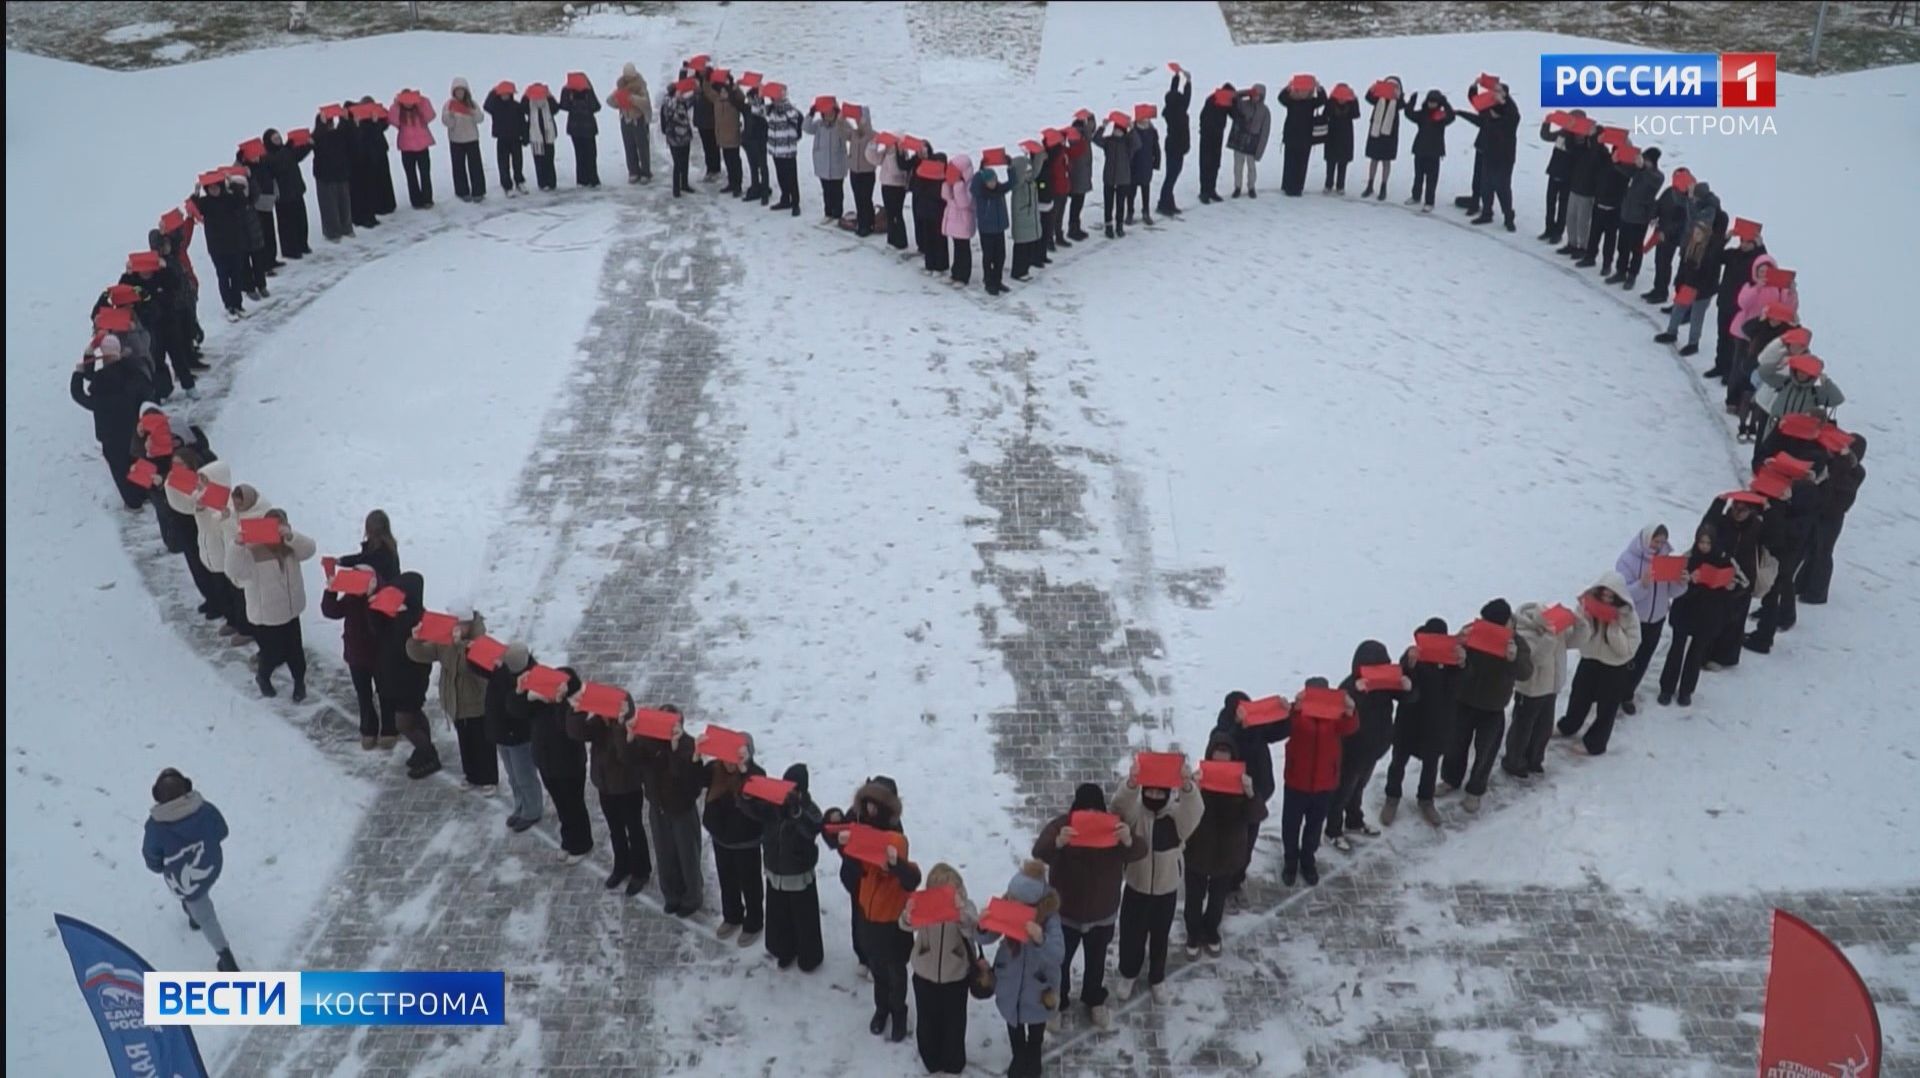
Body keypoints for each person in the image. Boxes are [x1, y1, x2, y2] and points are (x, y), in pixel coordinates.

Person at [1033, 782, 1145, 1028]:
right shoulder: (1062, 825)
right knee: (1059, 962)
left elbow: (1139, 851)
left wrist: (1127, 840)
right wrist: (1059, 844)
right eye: (1086, 810)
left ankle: (1094, 999)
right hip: (1065, 914)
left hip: (1101, 913)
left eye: (1096, 810)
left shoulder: (1113, 828)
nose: (1092, 816)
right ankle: (1058, 1002)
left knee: (1096, 962)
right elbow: (1039, 851)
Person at [833, 776, 921, 1042]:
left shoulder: (896, 838)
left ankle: (898, 1012)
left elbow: (912, 879)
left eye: (875, 806)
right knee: (878, 970)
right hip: (868, 916)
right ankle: (881, 1009)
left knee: (896, 973)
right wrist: (842, 844)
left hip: (891, 922)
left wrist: (894, 865)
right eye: (867, 805)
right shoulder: (861, 829)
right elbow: (854, 866)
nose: (870, 811)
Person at [1109, 760, 1202, 1001]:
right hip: (1135, 887)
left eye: (1159, 792)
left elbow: (1195, 811)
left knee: (1160, 936)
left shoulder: (1176, 816)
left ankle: (1157, 977)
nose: (1153, 795)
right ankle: (1128, 973)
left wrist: (1187, 786)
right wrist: (1130, 784)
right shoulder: (1136, 812)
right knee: (1131, 935)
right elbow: (1118, 807)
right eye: (1148, 790)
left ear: (1167, 793)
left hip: (1166, 889)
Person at [144, 769, 239, 972]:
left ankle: (227, 960)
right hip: (212, 867)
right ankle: (191, 913)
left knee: (205, 915)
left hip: (182, 881)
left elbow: (153, 861)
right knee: (197, 896)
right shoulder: (205, 810)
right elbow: (223, 831)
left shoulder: (155, 827)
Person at [322, 511, 400, 749]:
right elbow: (331, 610)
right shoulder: (354, 595)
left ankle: (384, 728)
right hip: (359, 651)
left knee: (379, 691)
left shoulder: (381, 569)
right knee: (367, 692)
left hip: (376, 650)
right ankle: (372, 728)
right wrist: (331, 588)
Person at [1444, 601, 1532, 812]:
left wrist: (1512, 659)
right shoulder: (1473, 632)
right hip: (1464, 701)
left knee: (1485, 752)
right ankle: (1450, 779)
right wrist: (1459, 641)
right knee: (1454, 745)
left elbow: (1526, 673)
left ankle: (1475, 790)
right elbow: (1449, 657)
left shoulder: (1516, 643)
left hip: (1493, 707)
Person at [225, 508, 316, 701]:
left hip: (291, 611)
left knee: (296, 654)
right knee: (272, 654)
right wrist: (237, 544)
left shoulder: (291, 546)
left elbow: (310, 549)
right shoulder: (253, 550)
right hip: (267, 616)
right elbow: (232, 570)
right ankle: (263, 677)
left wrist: (291, 536)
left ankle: (299, 682)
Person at [985, 861, 1065, 1078]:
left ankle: (1033, 1054)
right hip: (1010, 981)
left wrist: (1040, 939)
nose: (1011, 904)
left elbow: (1058, 954)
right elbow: (986, 937)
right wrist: (983, 926)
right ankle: (1019, 1055)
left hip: (1038, 987)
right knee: (1013, 1023)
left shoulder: (1050, 920)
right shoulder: (1007, 907)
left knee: (1036, 1025)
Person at [1182, 733, 1260, 956]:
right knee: (1194, 898)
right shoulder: (1198, 781)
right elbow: (1181, 812)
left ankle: (1211, 929)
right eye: (1217, 761)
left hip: (1227, 853)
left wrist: (1250, 793)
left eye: (1226, 761)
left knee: (1217, 899)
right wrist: (1191, 791)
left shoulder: (1243, 782)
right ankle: (1193, 932)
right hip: (1197, 851)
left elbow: (1256, 815)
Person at [407, 602, 497, 791]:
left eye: (458, 624)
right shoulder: (444, 640)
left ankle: (488, 778)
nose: (454, 627)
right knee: (465, 741)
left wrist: (460, 646)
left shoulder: (479, 641)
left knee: (482, 742)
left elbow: (468, 667)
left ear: (467, 624)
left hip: (476, 701)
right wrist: (415, 641)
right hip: (455, 700)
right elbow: (422, 654)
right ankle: (471, 775)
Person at [564, 691, 648, 892]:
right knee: (615, 829)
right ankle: (621, 866)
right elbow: (577, 733)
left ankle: (641, 871)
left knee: (634, 830)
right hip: (606, 787)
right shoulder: (599, 725)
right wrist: (576, 712)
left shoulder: (631, 728)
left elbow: (626, 756)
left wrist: (620, 726)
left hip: (628, 788)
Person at [744, 762, 824, 971]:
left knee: (804, 919)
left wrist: (797, 812)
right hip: (775, 871)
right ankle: (784, 950)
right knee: (780, 917)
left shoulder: (808, 808)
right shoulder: (774, 803)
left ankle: (809, 957)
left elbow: (814, 827)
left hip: (798, 874)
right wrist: (747, 795)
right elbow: (753, 811)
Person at [1328, 640, 1409, 847]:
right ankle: (1333, 830)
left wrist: (1407, 688)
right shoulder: (1349, 686)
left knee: (1359, 788)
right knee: (1343, 792)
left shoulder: (1383, 684)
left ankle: (1354, 821)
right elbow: (1340, 716)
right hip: (1352, 752)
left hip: (1374, 750)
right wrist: (1357, 693)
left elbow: (1408, 697)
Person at [1277, 678, 1357, 885]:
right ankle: (1290, 861)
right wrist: (1294, 709)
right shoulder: (1298, 713)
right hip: (1297, 783)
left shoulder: (1335, 716)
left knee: (1314, 826)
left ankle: (1308, 860)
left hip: (1324, 785)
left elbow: (1350, 728)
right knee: (1291, 826)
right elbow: (1284, 728)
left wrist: (1350, 711)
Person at [899, 863, 978, 1074]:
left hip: (955, 977)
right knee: (927, 1021)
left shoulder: (965, 905)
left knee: (954, 1023)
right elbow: (906, 925)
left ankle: (953, 1062)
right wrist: (908, 915)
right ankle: (931, 1059)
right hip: (925, 974)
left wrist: (960, 912)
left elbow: (973, 930)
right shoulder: (924, 903)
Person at [1555, 574, 1642, 755]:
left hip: (1614, 667)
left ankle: (1595, 743)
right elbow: (1578, 639)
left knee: (1607, 707)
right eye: (1603, 595)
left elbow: (1626, 650)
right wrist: (1585, 621)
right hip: (1590, 659)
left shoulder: (1628, 616)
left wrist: (1613, 628)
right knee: (1579, 695)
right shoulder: (1586, 607)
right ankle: (1568, 726)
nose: (1606, 600)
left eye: (1611, 597)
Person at [1383, 618, 1457, 826]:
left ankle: (1426, 800)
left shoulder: (1452, 658)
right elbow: (1401, 683)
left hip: (1437, 723)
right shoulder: (1412, 654)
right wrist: (1409, 665)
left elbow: (1457, 687)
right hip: (1409, 720)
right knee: (1398, 762)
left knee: (1431, 765)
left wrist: (1461, 664)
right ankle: (1392, 797)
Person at [632, 709, 706, 914]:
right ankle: (671, 894)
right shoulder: (647, 742)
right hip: (658, 808)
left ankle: (692, 897)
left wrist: (674, 750)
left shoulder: (688, 745)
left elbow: (692, 784)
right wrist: (630, 736)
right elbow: (633, 761)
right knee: (664, 854)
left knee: (687, 855)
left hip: (682, 810)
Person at [1657, 529, 1739, 707]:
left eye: (1708, 543)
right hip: (1685, 610)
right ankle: (1666, 688)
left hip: (1708, 615)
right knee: (1676, 650)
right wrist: (1688, 581)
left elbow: (1741, 584)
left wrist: (1730, 586)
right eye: (1701, 542)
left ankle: (1686, 691)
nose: (1704, 547)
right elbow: (1676, 587)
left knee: (1696, 653)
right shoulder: (1688, 559)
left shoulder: (1724, 561)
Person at [519, 666, 593, 860]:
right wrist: (523, 693)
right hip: (546, 762)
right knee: (561, 805)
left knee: (574, 804)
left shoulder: (572, 706)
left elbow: (567, 729)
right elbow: (517, 710)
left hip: (569, 765)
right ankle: (569, 841)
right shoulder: (540, 703)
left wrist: (560, 703)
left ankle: (581, 844)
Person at [71, 336, 152, 510]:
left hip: (111, 435)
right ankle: (147, 491)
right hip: (135, 429)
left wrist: (78, 373)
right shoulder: (134, 371)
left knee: (121, 470)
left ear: (103, 356)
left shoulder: (102, 382)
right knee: (140, 461)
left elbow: (82, 396)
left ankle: (133, 500)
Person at [369, 571, 436, 777]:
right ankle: (425, 750)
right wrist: (373, 606)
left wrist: (400, 616)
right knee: (415, 715)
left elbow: (412, 649)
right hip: (395, 678)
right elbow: (377, 630)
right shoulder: (396, 613)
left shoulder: (418, 620)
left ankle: (430, 755)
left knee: (404, 723)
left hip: (411, 682)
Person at [702, 735, 766, 944]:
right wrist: (695, 754)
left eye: (735, 757)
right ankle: (732, 916)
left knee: (750, 883)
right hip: (721, 839)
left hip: (746, 841)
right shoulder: (714, 770)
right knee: (727, 880)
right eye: (727, 757)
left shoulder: (755, 774)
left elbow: (759, 802)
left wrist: (744, 768)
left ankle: (754, 922)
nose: (730, 763)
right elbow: (693, 779)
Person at [1614, 524, 1680, 713]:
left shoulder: (1666, 560)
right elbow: (1622, 594)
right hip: (1634, 619)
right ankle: (1613, 693)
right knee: (1626, 659)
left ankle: (1628, 694)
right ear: (1646, 538)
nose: (1657, 546)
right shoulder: (1627, 560)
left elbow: (1671, 591)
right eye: (1655, 540)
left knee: (1643, 660)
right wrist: (1642, 584)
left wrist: (1681, 582)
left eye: (1661, 542)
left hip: (1657, 619)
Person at [1797, 433, 1866, 605]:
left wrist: (1842, 460)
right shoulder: (1835, 462)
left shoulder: (1856, 472)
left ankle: (1817, 593)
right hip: (1820, 510)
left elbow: (1840, 485)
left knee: (1823, 553)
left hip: (1833, 516)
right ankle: (1802, 584)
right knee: (1811, 548)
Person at [1655, 194, 1727, 358]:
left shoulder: (1711, 250)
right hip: (1688, 285)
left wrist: (1699, 288)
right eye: (1695, 232)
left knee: (1696, 317)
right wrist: (1680, 281)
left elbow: (1710, 271)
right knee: (1678, 310)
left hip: (1702, 289)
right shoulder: (1691, 246)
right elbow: (1685, 266)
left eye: (1698, 233)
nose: (1695, 235)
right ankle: (1671, 332)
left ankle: (1693, 343)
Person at [1502, 602, 1568, 778]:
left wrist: (1580, 623)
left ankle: (1534, 760)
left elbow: (1579, 641)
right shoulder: (1523, 632)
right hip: (1530, 690)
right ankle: (1513, 762)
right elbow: (1535, 660)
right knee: (1522, 729)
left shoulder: (1554, 630)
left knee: (1544, 728)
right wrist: (1549, 637)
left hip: (1550, 688)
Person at [487, 643, 542, 832]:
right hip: (502, 733)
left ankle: (532, 810)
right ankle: (520, 806)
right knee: (513, 776)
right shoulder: (502, 670)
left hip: (519, 737)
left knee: (524, 776)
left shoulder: (530, 680)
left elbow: (519, 709)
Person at [191, 172, 255, 318]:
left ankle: (238, 304)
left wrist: (231, 182)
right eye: (210, 188)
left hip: (235, 244)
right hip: (217, 248)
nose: (214, 190)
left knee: (237, 276)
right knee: (223, 276)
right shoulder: (205, 203)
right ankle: (229, 305)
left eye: (216, 187)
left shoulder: (229, 199)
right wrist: (196, 191)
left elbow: (242, 199)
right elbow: (194, 205)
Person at [1708, 221, 1768, 374]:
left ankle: (1730, 370)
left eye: (1748, 242)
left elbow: (1765, 265)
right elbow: (1714, 255)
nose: (1744, 245)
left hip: (1742, 307)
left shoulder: (1755, 260)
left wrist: (1761, 247)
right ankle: (1720, 365)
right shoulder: (1732, 254)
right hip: (1725, 301)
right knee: (1722, 337)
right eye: (1742, 241)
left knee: (1734, 341)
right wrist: (1725, 238)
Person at [1461, 82, 1519, 229]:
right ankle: (1487, 213)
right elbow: (1477, 106)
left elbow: (1514, 113)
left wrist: (1506, 99)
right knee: (1486, 185)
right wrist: (1474, 87)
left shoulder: (1510, 118)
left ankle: (1509, 217)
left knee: (1503, 188)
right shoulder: (1488, 114)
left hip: (1504, 158)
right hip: (1489, 154)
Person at [1609, 147, 1663, 289]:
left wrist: (1642, 169)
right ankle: (1620, 271)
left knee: (1636, 248)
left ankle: (1632, 275)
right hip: (1626, 214)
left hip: (1640, 218)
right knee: (1622, 245)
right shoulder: (1639, 171)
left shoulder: (1657, 176)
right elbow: (1626, 171)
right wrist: (1617, 163)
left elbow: (1652, 180)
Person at [1641, 168, 1692, 303]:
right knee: (1659, 262)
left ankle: (1662, 292)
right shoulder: (1670, 191)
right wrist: (1653, 216)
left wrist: (1666, 232)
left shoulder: (1686, 202)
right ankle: (1657, 288)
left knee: (1664, 263)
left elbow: (1681, 223)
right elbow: (1659, 204)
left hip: (1671, 237)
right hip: (1661, 230)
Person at [262, 129, 314, 256]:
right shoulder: (267, 157)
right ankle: (290, 249)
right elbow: (277, 166)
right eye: (274, 139)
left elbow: (298, 154)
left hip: (296, 190)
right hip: (283, 196)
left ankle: (303, 244)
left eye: (278, 137)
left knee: (301, 221)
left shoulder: (286, 150)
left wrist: (309, 145)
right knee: (287, 225)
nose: (278, 140)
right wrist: (287, 149)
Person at [1580, 141, 1630, 271]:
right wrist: (1599, 141)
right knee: (1594, 234)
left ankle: (1607, 264)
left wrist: (1618, 163)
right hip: (1599, 204)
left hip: (1614, 208)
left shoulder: (1626, 168)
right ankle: (1590, 257)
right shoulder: (1605, 160)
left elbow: (1628, 179)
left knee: (1610, 238)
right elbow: (1596, 155)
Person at [1557, 123, 1603, 258]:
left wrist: (1594, 137)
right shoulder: (1583, 147)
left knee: (1583, 222)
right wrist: (1571, 131)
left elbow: (1595, 155)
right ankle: (1572, 243)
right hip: (1575, 187)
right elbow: (1571, 147)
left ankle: (1583, 246)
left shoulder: (1601, 152)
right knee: (1570, 218)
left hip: (1588, 192)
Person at [1402, 89, 1453, 212]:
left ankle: (1429, 201)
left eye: (1434, 102)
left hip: (1434, 152)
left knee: (1432, 178)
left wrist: (1445, 103)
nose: (1431, 104)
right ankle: (1416, 196)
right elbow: (1409, 114)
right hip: (1420, 149)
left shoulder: (1441, 116)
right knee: (1418, 176)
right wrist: (1412, 101)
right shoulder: (1422, 114)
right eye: (1430, 102)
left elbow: (1451, 116)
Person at [310, 107, 356, 241]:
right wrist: (322, 124)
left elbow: (350, 134)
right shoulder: (318, 136)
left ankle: (347, 228)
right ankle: (332, 232)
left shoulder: (338, 134)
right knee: (329, 206)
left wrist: (346, 118)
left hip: (341, 172)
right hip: (325, 175)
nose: (330, 124)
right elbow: (315, 137)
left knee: (344, 203)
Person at [1534, 108, 1581, 240]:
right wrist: (1547, 123)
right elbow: (1546, 136)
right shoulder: (1562, 133)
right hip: (1554, 172)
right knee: (1550, 202)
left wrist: (1571, 134)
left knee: (1563, 205)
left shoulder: (1579, 140)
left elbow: (1574, 151)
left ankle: (1558, 232)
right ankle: (1549, 228)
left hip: (1568, 176)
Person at [350, 98, 397, 226]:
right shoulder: (359, 119)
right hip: (367, 155)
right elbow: (359, 136)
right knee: (372, 182)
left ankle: (387, 204)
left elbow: (385, 125)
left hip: (380, 152)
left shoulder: (377, 117)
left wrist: (376, 120)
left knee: (384, 179)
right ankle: (376, 206)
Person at [1361, 77, 1407, 201]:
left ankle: (1383, 186)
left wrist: (1399, 96)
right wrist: (1373, 89)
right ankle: (1370, 184)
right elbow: (1368, 98)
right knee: (1373, 159)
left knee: (1386, 160)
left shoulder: (1397, 101)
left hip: (1389, 134)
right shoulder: (1378, 97)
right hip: (1376, 131)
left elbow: (1404, 106)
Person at [1277, 78, 1325, 197]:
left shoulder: (1311, 102)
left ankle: (1297, 187)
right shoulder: (1291, 101)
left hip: (1305, 138)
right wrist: (1288, 88)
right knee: (1290, 163)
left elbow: (1322, 99)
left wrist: (1319, 87)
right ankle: (1288, 186)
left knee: (1301, 164)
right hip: (1292, 137)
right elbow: (1281, 98)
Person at [804, 99, 850, 221]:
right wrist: (811, 113)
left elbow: (850, 133)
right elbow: (806, 127)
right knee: (826, 191)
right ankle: (828, 212)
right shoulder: (819, 125)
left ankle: (837, 214)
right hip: (822, 164)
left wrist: (842, 119)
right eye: (826, 114)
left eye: (832, 113)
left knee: (837, 192)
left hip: (837, 165)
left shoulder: (841, 125)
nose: (829, 116)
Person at [389, 90, 436, 208]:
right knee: (411, 176)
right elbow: (392, 121)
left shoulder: (420, 110)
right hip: (407, 149)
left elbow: (431, 115)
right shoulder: (399, 113)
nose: (408, 104)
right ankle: (416, 201)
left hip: (422, 147)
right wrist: (396, 106)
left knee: (425, 174)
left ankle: (427, 199)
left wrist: (422, 100)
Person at [442, 78, 487, 201]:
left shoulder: (472, 103)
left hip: (472, 138)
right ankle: (462, 191)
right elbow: (447, 123)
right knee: (458, 167)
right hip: (456, 140)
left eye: (462, 91)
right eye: (457, 91)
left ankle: (478, 191)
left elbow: (480, 118)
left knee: (476, 166)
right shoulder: (449, 104)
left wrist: (471, 112)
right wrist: (449, 115)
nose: (460, 93)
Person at [557, 74, 603, 187]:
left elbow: (563, 106)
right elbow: (596, 107)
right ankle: (593, 179)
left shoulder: (568, 93)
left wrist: (566, 91)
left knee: (580, 154)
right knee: (591, 154)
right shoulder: (587, 92)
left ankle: (582, 179)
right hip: (588, 127)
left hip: (575, 128)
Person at [611, 62, 654, 184]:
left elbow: (646, 102)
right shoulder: (620, 86)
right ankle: (633, 171)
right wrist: (618, 100)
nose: (628, 79)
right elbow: (610, 101)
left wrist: (633, 99)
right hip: (625, 119)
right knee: (629, 146)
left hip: (639, 120)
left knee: (642, 148)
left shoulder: (640, 85)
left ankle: (646, 172)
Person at [764, 86, 804, 217]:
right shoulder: (771, 109)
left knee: (792, 177)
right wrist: (759, 94)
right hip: (776, 149)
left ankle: (795, 203)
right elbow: (757, 110)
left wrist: (780, 104)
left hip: (787, 149)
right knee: (781, 175)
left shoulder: (790, 109)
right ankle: (785, 198)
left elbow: (795, 117)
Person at [484, 82, 529, 196]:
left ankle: (519, 181)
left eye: (507, 94)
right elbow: (486, 106)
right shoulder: (495, 106)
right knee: (503, 164)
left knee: (518, 162)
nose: (505, 96)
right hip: (502, 139)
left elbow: (523, 123)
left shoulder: (517, 106)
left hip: (515, 139)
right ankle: (507, 185)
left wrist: (525, 137)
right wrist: (493, 91)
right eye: (502, 94)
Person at [972, 161, 1010, 296]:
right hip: (987, 230)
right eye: (990, 181)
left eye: (994, 180)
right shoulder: (981, 193)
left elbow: (1011, 183)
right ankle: (989, 282)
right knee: (988, 257)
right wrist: (981, 170)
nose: (993, 183)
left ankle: (997, 280)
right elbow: (974, 184)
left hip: (999, 229)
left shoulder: (999, 191)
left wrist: (1010, 167)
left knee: (1000, 256)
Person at [1226, 84, 1271, 198]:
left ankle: (1251, 187)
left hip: (1253, 141)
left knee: (1251, 167)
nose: (1255, 97)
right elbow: (1234, 97)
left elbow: (1265, 133)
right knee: (1238, 166)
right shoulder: (1243, 104)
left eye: (1258, 95)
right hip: (1240, 138)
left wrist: (1259, 151)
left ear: (1262, 96)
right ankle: (1237, 187)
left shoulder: (1265, 111)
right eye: (1254, 94)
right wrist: (1247, 92)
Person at [911, 147, 951, 274]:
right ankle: (934, 264)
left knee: (936, 239)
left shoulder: (942, 176)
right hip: (931, 212)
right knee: (933, 239)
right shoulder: (929, 175)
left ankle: (937, 265)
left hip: (933, 212)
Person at [703, 70, 744, 194]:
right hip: (722, 138)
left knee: (735, 162)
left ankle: (737, 185)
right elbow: (708, 91)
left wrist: (735, 88)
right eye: (721, 92)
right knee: (728, 162)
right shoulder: (717, 100)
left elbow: (741, 97)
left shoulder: (734, 102)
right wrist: (706, 80)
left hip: (733, 138)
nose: (723, 93)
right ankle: (731, 183)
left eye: (725, 92)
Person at [1158, 68, 1192, 216]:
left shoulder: (1170, 109)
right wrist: (1188, 82)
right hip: (1177, 147)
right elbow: (1186, 98)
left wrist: (1177, 78)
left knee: (1170, 175)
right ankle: (1164, 203)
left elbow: (1175, 94)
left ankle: (1167, 202)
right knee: (1171, 176)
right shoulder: (1179, 111)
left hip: (1171, 145)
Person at [1097, 117, 1136, 238]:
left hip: (1123, 178)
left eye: (1119, 130)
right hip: (1109, 177)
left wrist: (1132, 129)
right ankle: (1108, 226)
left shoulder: (1127, 142)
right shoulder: (1108, 141)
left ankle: (1119, 226)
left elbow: (1137, 143)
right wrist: (1102, 127)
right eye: (1115, 130)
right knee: (1108, 204)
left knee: (1120, 204)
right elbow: (1096, 139)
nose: (1116, 132)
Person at [1008, 147, 1044, 280]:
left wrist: (1039, 156)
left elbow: (1036, 171)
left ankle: (1025, 269)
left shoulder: (1031, 182)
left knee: (1028, 247)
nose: (1029, 174)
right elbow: (1019, 180)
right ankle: (1018, 271)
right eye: (1026, 172)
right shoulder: (1018, 186)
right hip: (1022, 221)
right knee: (1021, 249)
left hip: (1031, 220)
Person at [1195, 84, 1234, 203]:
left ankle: (1212, 189)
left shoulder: (1226, 101)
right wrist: (1204, 130)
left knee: (1215, 163)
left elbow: (1234, 114)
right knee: (1206, 163)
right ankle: (1204, 192)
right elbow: (1203, 117)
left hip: (1218, 135)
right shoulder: (1211, 100)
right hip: (1207, 136)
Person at [942, 154, 976, 286]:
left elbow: (963, 203)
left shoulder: (969, 185)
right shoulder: (956, 183)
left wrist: (958, 185)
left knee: (963, 249)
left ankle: (963, 276)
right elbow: (947, 197)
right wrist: (947, 184)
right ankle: (955, 272)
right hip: (954, 219)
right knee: (957, 248)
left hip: (964, 221)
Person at [870, 129, 908, 245]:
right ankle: (892, 238)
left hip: (897, 187)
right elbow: (873, 158)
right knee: (890, 214)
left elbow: (895, 171)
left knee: (897, 213)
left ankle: (901, 240)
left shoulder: (902, 154)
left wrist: (892, 154)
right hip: (886, 184)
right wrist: (874, 143)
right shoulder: (887, 151)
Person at [1320, 85, 1359, 194]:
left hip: (1346, 137)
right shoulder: (1331, 103)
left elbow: (1356, 114)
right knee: (1330, 163)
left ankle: (1340, 186)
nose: (1341, 99)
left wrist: (1354, 99)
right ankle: (1328, 184)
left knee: (1343, 163)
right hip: (1332, 135)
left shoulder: (1351, 103)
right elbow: (1325, 113)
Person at [661, 79, 697, 197]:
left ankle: (683, 184)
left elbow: (689, 102)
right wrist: (679, 98)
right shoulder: (672, 104)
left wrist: (695, 93)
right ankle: (678, 188)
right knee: (679, 163)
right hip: (676, 137)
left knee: (683, 161)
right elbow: (675, 109)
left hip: (680, 136)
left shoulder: (675, 102)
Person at [848, 105, 878, 235]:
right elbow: (842, 130)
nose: (857, 121)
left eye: (859, 119)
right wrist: (841, 118)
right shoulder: (854, 133)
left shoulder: (872, 135)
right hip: (854, 170)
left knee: (866, 198)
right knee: (858, 198)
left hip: (867, 172)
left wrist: (865, 127)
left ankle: (867, 224)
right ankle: (862, 222)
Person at [526, 84, 562, 192]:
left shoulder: (548, 103)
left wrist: (549, 96)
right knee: (542, 160)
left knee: (546, 160)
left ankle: (548, 182)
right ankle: (546, 182)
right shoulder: (529, 104)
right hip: (537, 137)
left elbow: (556, 108)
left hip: (547, 135)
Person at [1130, 111, 1161, 224]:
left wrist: (1156, 162)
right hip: (1134, 166)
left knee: (1145, 191)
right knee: (1131, 192)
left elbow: (1156, 148)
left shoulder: (1152, 131)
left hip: (1146, 165)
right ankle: (1130, 212)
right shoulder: (1133, 131)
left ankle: (1146, 212)